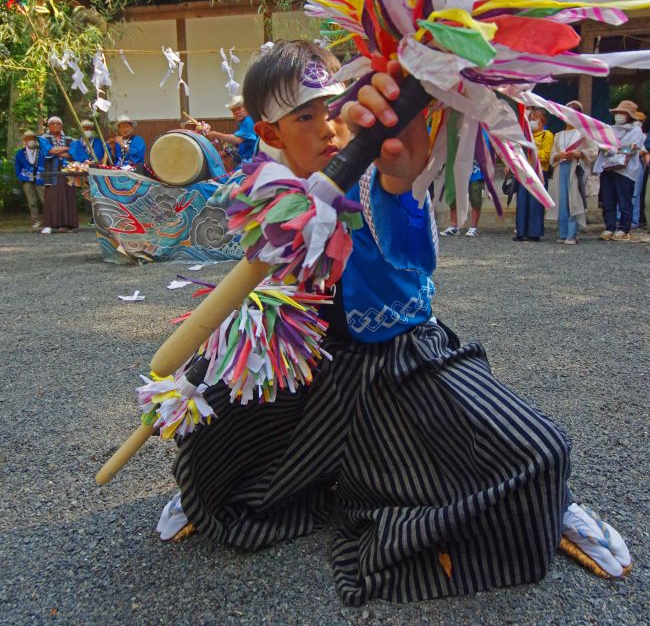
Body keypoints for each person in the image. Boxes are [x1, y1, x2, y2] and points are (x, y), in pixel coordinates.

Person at [161, 40, 630, 603]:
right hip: (316, 365)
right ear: (271, 135)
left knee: (537, 448)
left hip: (403, 360)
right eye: (304, 117)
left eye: (332, 108)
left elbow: (416, 256)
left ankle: (555, 508)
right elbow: (257, 295)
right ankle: (209, 492)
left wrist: (399, 185)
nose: (327, 127)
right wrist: (206, 363)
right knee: (208, 433)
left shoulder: (370, 173)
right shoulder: (266, 189)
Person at [593, 99, 645, 242]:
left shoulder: (636, 131)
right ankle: (609, 227)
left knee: (624, 200)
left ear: (629, 115)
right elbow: (602, 145)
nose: (619, 115)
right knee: (608, 200)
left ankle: (624, 229)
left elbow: (633, 149)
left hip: (626, 171)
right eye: (618, 113)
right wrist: (609, 148)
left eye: (622, 113)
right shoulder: (610, 129)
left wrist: (614, 149)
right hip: (608, 168)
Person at [547, 101, 598, 245]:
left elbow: (594, 151)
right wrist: (559, 155)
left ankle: (572, 234)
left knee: (574, 200)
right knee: (561, 201)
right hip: (561, 168)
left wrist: (578, 152)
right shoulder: (558, 135)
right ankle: (563, 233)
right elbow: (552, 155)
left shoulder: (584, 134)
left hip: (576, 169)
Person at [514, 108, 554, 241]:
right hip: (525, 171)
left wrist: (532, 151)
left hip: (540, 172)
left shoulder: (547, 135)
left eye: (535, 118)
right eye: (530, 118)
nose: (531, 121)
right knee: (522, 201)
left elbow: (546, 155)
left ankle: (534, 232)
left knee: (536, 202)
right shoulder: (525, 136)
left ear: (542, 120)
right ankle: (521, 231)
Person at [39, 116, 78, 234]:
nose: (56, 125)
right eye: (53, 123)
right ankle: (49, 225)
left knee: (68, 197)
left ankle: (66, 225)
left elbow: (74, 152)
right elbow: (49, 151)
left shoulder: (70, 138)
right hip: (52, 171)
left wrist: (58, 150)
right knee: (51, 198)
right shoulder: (44, 138)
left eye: (58, 123)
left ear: (61, 126)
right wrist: (65, 149)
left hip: (67, 171)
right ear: (49, 126)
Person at [207, 96, 258, 164]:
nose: (236, 112)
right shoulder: (242, 123)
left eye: (239, 108)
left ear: (247, 108)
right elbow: (238, 144)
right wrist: (226, 152)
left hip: (251, 161)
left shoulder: (248, 121)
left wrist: (216, 134)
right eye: (233, 110)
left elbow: (238, 140)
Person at [14, 129, 45, 229]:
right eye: (28, 139)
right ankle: (36, 220)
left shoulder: (41, 152)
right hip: (27, 179)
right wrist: (22, 177)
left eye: (32, 138)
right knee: (32, 201)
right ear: (25, 140)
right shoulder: (20, 154)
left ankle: (48, 219)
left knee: (45, 199)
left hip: (41, 179)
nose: (31, 140)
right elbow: (17, 168)